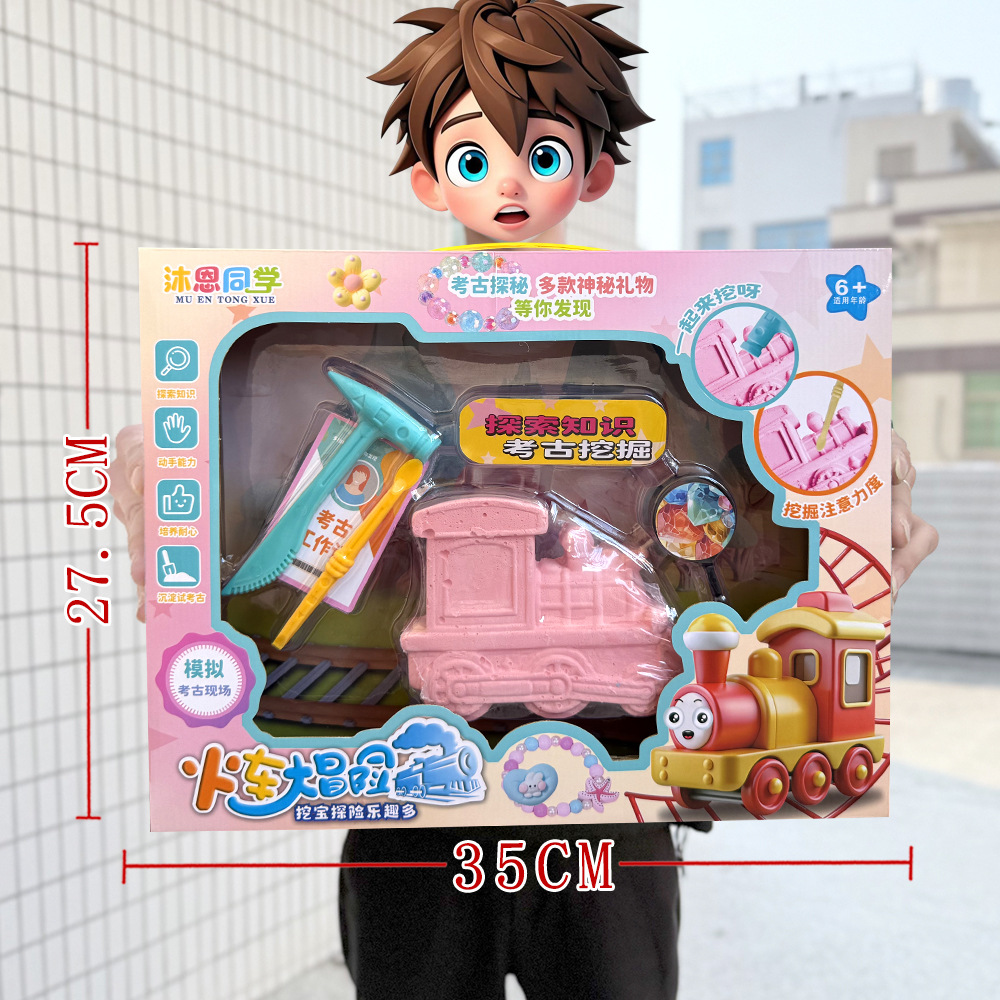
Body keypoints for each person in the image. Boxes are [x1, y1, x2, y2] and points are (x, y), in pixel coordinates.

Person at [111, 3, 938, 996]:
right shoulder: (366, 326)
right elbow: (250, 454)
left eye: (541, 153)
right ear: (428, 177)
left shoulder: (672, 332)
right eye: (472, 157)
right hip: (412, 798)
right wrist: (173, 477)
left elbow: (772, 475)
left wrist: (855, 486)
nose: (507, 181)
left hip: (611, 810)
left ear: (594, 172)